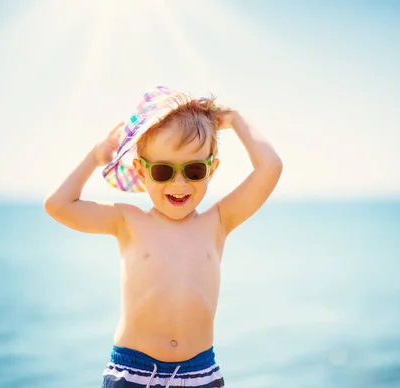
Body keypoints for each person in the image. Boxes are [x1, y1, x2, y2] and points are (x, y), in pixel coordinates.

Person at [44, 85, 283, 387]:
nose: (179, 182)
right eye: (162, 172)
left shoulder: (219, 222)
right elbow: (57, 205)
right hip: (134, 373)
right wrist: (94, 156)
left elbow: (271, 167)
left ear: (211, 170)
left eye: (194, 170)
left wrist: (235, 119)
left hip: (201, 374)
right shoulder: (128, 221)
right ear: (142, 174)